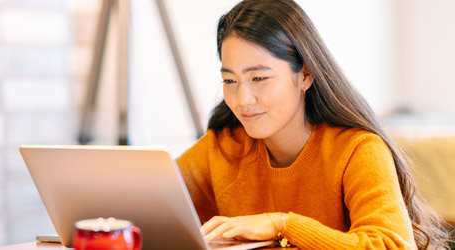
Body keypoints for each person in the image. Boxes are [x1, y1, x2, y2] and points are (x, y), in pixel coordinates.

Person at [176, 0, 450, 249]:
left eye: (259, 78)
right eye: (230, 81)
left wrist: (282, 224)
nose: (242, 99)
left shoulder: (357, 149)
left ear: (305, 74)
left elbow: (392, 245)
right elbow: (150, 203)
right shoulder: (222, 147)